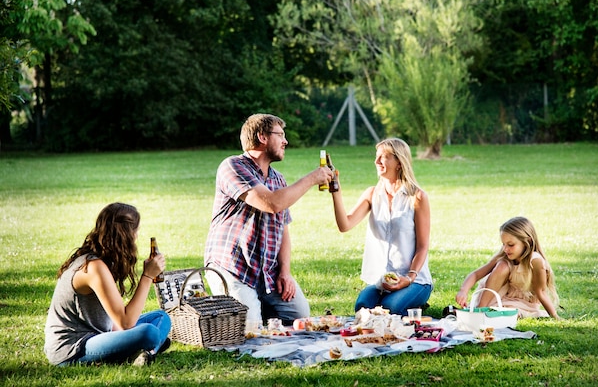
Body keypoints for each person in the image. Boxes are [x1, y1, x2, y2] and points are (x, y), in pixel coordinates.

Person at [204, 113, 333, 325]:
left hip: (267, 273)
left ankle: (255, 307)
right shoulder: (233, 166)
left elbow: (283, 228)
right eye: (280, 135)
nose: (285, 141)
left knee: (300, 317)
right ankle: (234, 312)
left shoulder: (278, 179)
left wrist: (285, 273)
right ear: (262, 137)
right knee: (250, 331)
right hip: (233, 267)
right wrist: (313, 178)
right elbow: (271, 203)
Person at [44, 202, 172, 366]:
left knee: (161, 317)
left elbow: (117, 323)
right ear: (125, 234)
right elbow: (125, 322)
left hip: (99, 334)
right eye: (136, 231)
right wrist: (147, 276)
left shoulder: (101, 261)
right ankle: (147, 348)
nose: (137, 237)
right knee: (149, 333)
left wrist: (123, 334)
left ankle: (143, 351)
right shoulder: (93, 267)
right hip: (72, 348)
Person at [330, 138, 433, 316]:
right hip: (382, 281)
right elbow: (344, 225)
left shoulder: (417, 197)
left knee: (389, 309)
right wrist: (335, 191)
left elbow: (423, 246)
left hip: (415, 280)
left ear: (399, 163)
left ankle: (414, 302)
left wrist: (408, 279)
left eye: (383, 157)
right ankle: (403, 303)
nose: (376, 162)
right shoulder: (372, 194)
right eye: (376, 157)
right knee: (362, 309)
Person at [455, 216, 560, 319]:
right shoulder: (504, 258)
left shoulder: (536, 261)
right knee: (502, 266)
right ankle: (480, 309)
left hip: (523, 303)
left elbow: (540, 291)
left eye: (510, 245)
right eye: (503, 244)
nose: (505, 249)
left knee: (510, 314)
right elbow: (476, 274)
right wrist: (463, 291)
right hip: (496, 298)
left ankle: (491, 312)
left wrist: (555, 317)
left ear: (528, 242)